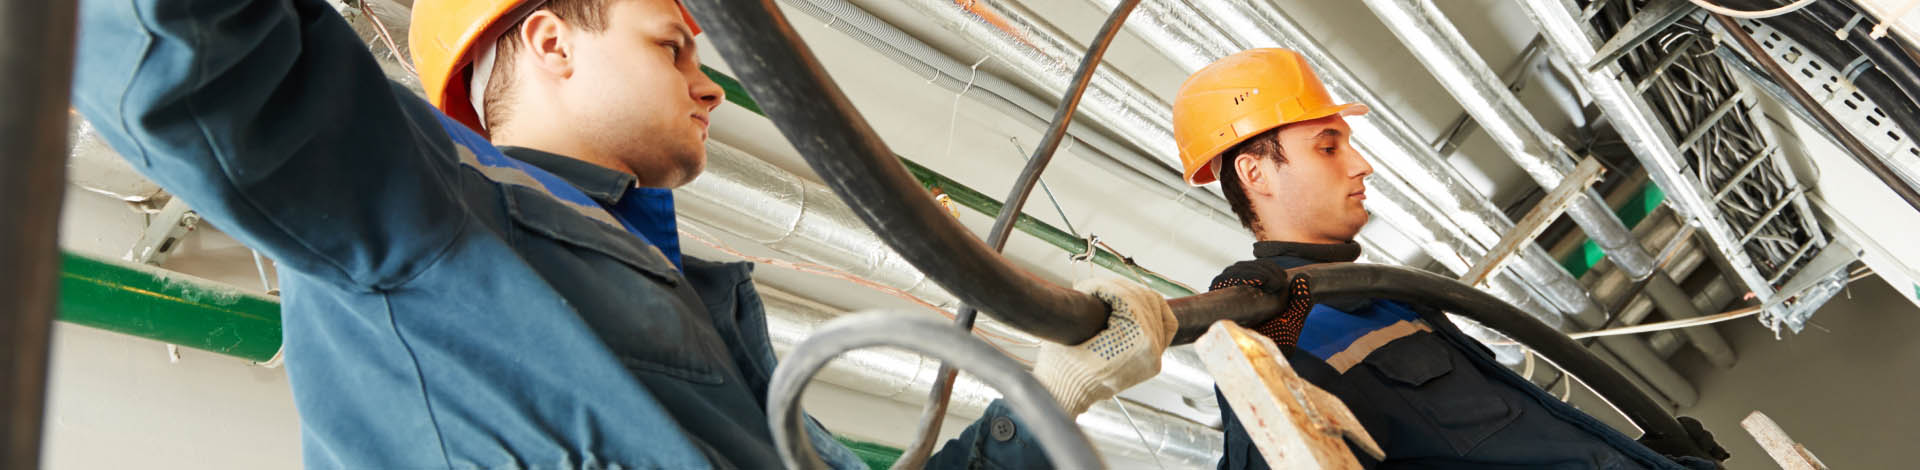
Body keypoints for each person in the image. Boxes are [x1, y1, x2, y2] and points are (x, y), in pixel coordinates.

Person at [68, 0, 1178, 467]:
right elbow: (195, 69)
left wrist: (1050, 391)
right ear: (549, 41)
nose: (714, 89)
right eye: (674, 48)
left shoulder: (696, 302)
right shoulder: (419, 199)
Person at [1169, 48, 1729, 469]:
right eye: (1327, 146)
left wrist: (1651, 459)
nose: (1361, 165)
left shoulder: (1387, 302)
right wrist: (1262, 351)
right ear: (1255, 173)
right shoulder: (1277, 332)